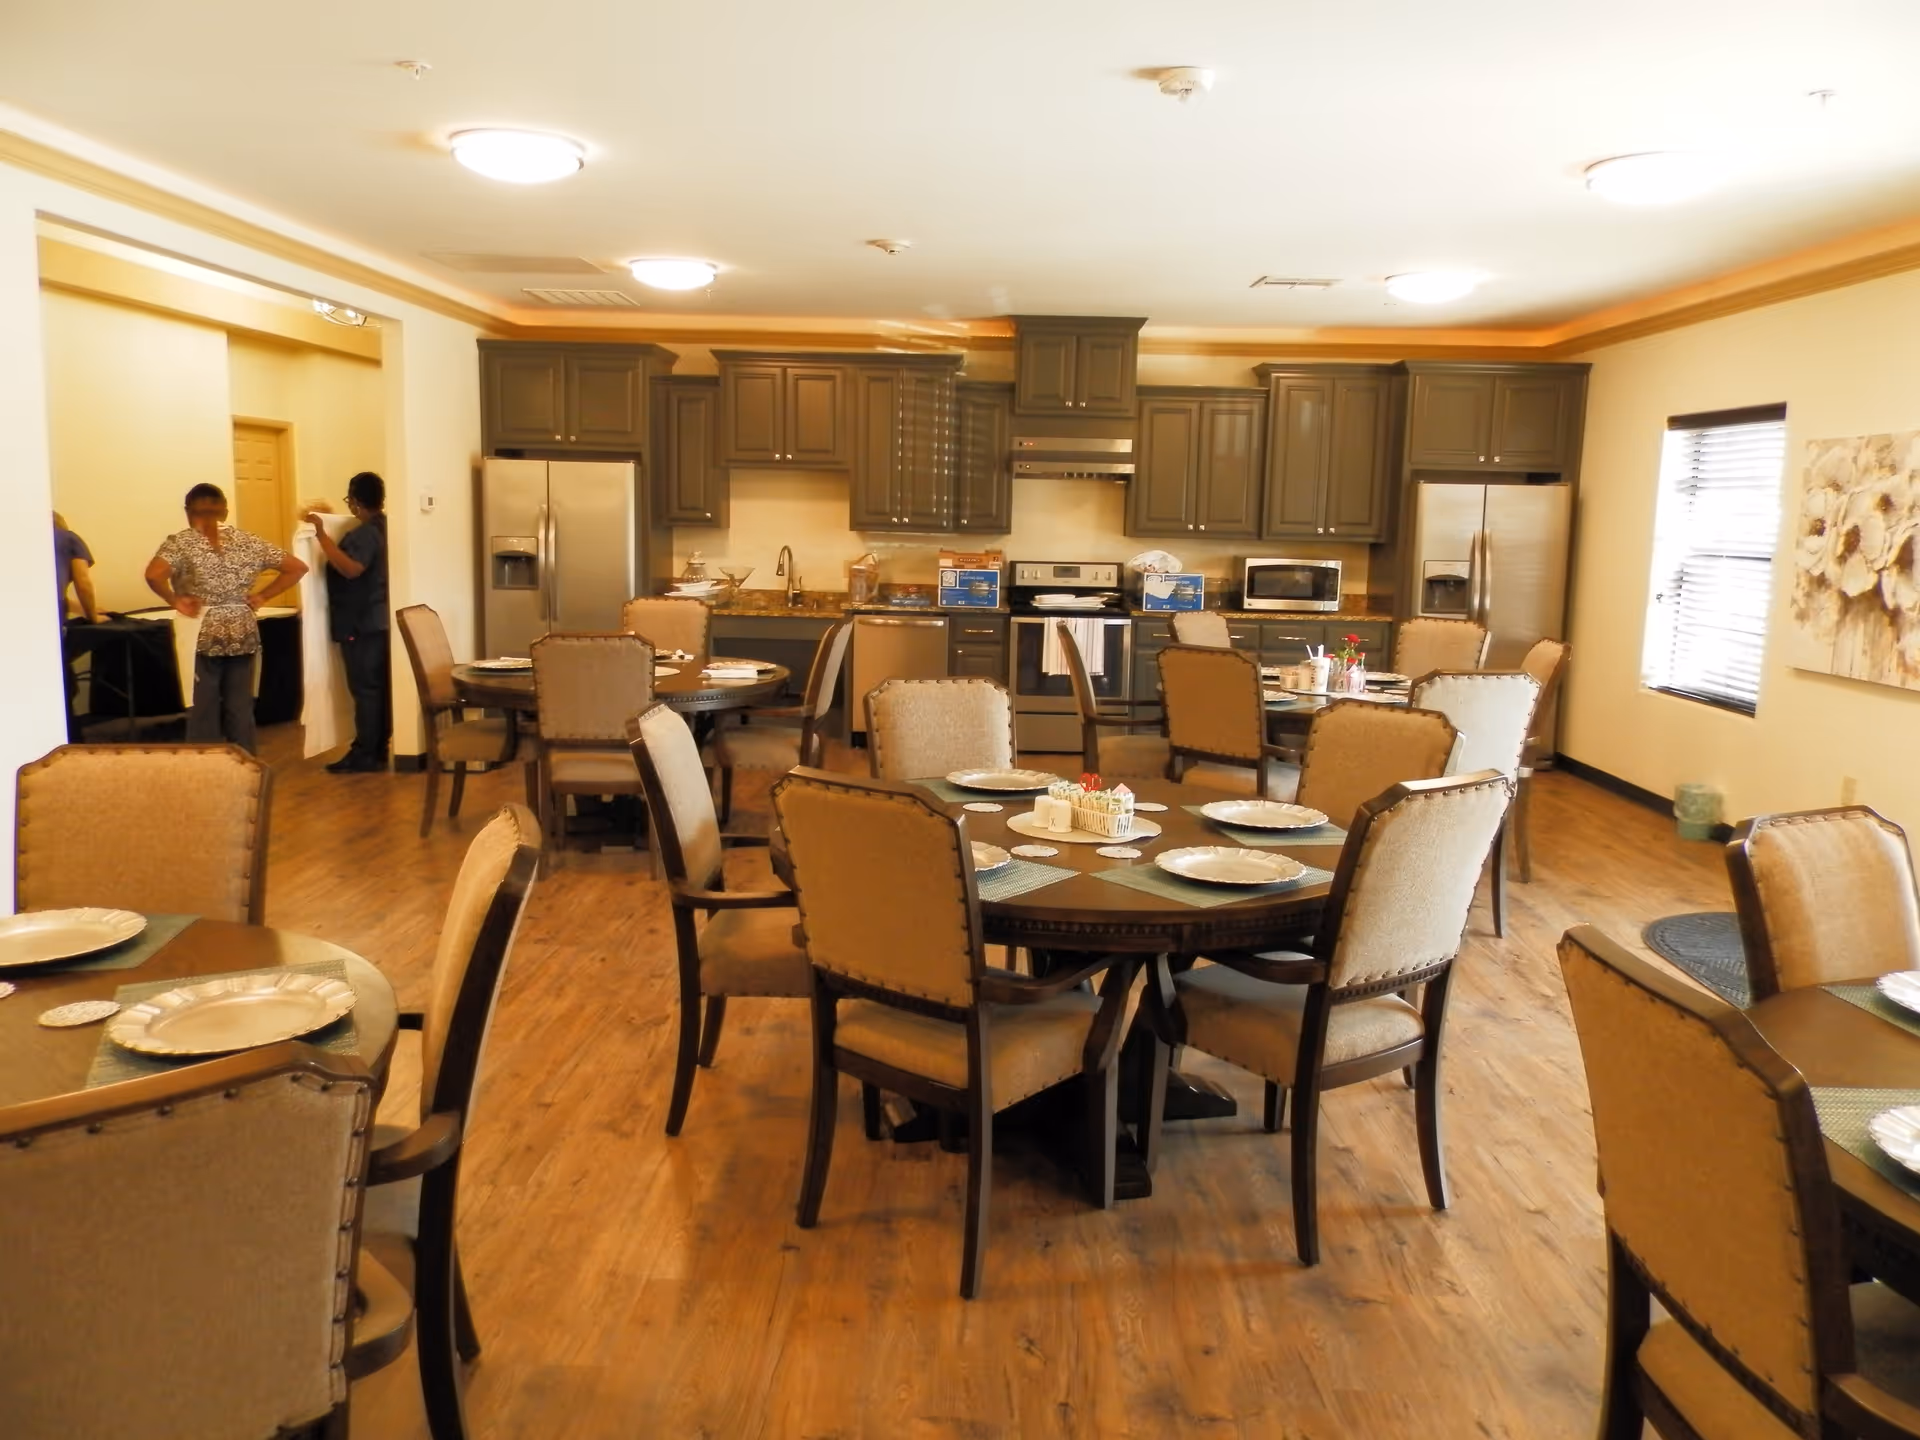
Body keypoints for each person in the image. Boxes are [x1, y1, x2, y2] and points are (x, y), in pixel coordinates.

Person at [144, 483, 307, 754]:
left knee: (203, 705)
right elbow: (297, 567)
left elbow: (153, 575)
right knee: (240, 707)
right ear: (225, 510)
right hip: (242, 629)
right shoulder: (248, 541)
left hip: (202, 630)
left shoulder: (182, 541)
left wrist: (175, 600)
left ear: (188, 511)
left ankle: (204, 768)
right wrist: (262, 596)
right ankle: (244, 765)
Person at [304, 472, 390, 773]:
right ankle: (376, 748)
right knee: (376, 689)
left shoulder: (365, 533)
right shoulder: (386, 525)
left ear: (354, 501)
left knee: (366, 690)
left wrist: (322, 536)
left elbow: (352, 569)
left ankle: (366, 753)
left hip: (361, 624)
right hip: (378, 621)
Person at [54, 512, 99, 742]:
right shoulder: (69, 539)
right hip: (48, 629)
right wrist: (93, 617)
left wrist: (88, 609)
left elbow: (56, 596)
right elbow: (82, 581)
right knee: (64, 686)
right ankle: (70, 743)